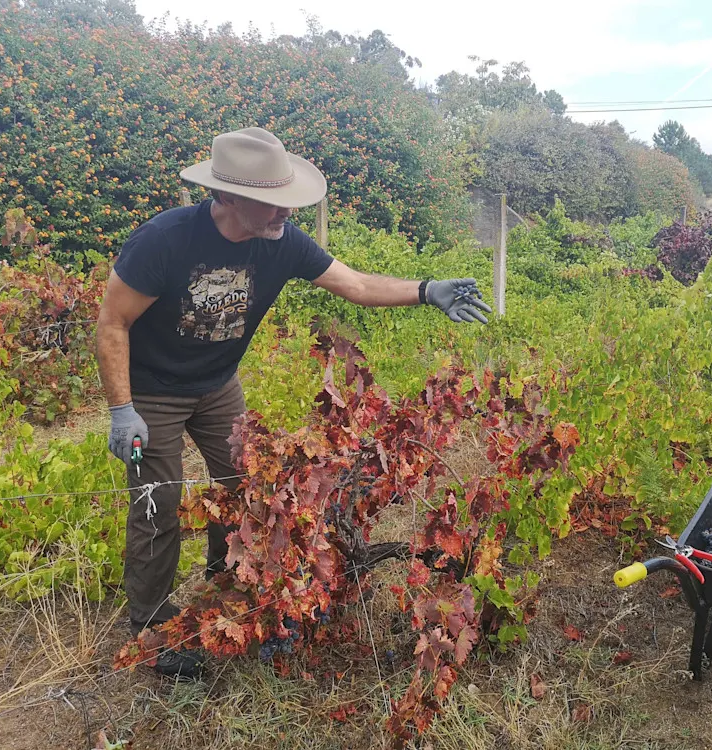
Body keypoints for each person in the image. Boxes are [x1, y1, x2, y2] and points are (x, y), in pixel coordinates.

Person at [96, 127, 492, 678]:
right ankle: (151, 626)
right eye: (274, 201)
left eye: (289, 200)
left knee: (248, 490)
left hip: (217, 385)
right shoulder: (164, 240)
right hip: (153, 392)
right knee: (158, 504)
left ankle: (230, 590)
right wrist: (123, 409)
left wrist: (426, 289)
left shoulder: (283, 241)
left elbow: (354, 284)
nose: (287, 212)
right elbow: (112, 323)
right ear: (228, 197)